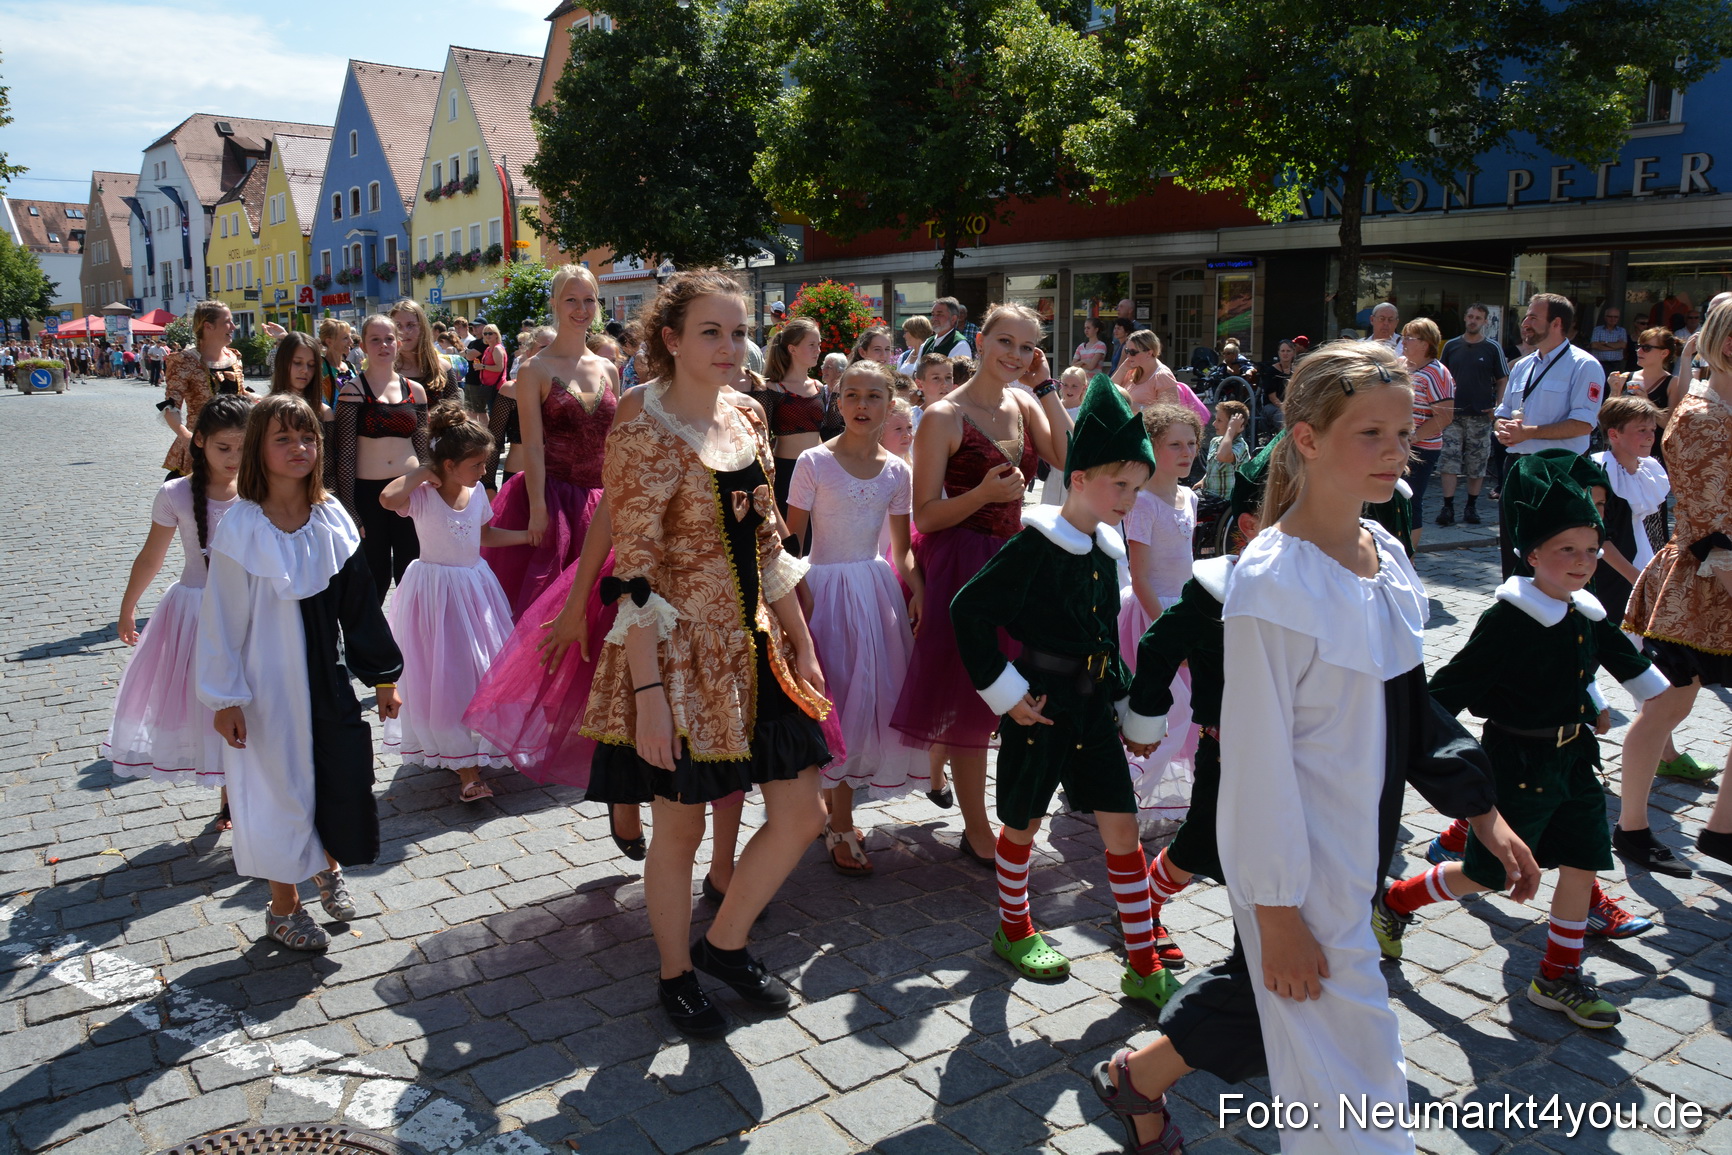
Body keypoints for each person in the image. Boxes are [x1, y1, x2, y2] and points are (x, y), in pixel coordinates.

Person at [1090, 341, 1536, 1155]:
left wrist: (1485, 812)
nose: (1397, 451)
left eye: (1404, 432)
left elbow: (1411, 708)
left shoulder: (1387, 558)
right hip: (1295, 869)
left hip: (1356, 850)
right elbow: (1254, 765)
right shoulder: (1268, 583)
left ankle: (1139, 1078)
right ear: (1305, 436)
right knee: (1349, 1078)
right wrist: (1274, 911)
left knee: (1346, 1072)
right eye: (1371, 432)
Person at [578, 268, 831, 1038]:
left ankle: (724, 942)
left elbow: (767, 541)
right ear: (671, 340)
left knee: (802, 813)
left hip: (755, 648)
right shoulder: (642, 430)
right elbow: (635, 574)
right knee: (680, 830)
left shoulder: (750, 414)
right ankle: (674, 972)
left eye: (739, 331)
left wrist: (803, 641)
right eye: (711, 332)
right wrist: (649, 693)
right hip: (678, 657)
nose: (730, 346)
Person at [1374, 467, 1669, 1029]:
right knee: (1490, 875)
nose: (1583, 561)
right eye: (1566, 549)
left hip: (1577, 758)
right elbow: (1447, 691)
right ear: (1532, 555)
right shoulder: (1508, 620)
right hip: (1517, 763)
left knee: (1584, 861)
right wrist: (1415, 748)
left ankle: (1557, 976)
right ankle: (1396, 902)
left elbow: (1631, 668)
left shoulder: (1585, 610)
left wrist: (1612, 695)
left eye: (1591, 547)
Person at [951, 372, 1179, 1006]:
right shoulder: (1035, 545)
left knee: (1123, 830)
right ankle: (1014, 927)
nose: (1131, 500)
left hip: (1094, 710)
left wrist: (1132, 710)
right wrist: (1005, 690)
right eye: (1121, 485)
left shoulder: (1107, 551)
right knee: (1023, 822)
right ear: (1078, 479)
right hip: (1040, 709)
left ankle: (1140, 958)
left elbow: (1106, 639)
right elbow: (968, 610)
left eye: (1138, 487)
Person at [197, 394, 404, 952]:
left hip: (325, 675)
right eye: (283, 439)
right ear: (258, 450)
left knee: (335, 777)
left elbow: (359, 606)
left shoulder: (331, 516)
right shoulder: (241, 526)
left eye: (307, 436)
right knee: (278, 789)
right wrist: (224, 698)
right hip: (264, 686)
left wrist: (384, 675)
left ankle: (326, 865)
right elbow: (220, 619)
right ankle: (282, 907)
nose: (299, 448)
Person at [890, 303, 1071, 863]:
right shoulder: (944, 416)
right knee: (977, 696)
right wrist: (983, 497)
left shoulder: (1022, 400)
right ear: (983, 340)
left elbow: (1066, 455)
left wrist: (1046, 387)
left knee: (1007, 696)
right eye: (1006, 343)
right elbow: (924, 515)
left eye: (1026, 347)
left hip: (1016, 561)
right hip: (962, 563)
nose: (1015, 356)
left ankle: (975, 801)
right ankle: (975, 828)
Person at [785, 361, 926, 874]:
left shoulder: (898, 471)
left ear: (891, 405)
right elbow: (790, 540)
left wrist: (918, 591)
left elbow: (901, 547)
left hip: (872, 592)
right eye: (852, 396)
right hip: (820, 590)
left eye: (873, 396)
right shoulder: (813, 462)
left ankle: (836, 813)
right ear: (837, 402)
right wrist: (792, 596)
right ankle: (836, 822)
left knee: (865, 700)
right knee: (834, 700)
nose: (862, 405)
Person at [1619, 300, 1732, 874]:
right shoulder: (1699, 414)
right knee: (1668, 705)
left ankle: (1722, 828)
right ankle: (1631, 827)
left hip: (1722, 575)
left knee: (1671, 704)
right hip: (1700, 579)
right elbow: (1707, 521)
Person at [104, 395, 249, 835]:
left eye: (243, 448)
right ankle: (229, 791)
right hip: (195, 613)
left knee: (253, 700)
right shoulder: (176, 494)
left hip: (251, 613)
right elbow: (151, 556)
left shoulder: (260, 490)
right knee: (211, 705)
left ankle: (239, 792)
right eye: (224, 448)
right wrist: (128, 608)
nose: (234, 458)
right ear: (199, 441)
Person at [378, 401, 528, 802]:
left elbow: (485, 536)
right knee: (446, 674)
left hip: (476, 590)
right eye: (477, 464)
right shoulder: (423, 495)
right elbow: (388, 499)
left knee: (482, 667)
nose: (484, 472)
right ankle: (466, 770)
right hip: (435, 594)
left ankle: (480, 747)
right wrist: (422, 471)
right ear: (447, 465)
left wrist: (525, 536)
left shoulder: (477, 491)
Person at [480, 266, 618, 619]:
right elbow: (534, 445)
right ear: (555, 303)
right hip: (554, 500)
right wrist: (539, 508)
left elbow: (615, 444)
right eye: (571, 299)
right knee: (548, 609)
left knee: (603, 608)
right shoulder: (535, 370)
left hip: (602, 499)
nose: (581, 309)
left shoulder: (608, 368)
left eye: (589, 300)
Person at [1119, 404, 1201, 839]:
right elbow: (1141, 574)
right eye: (1175, 444)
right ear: (1152, 447)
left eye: (1191, 443)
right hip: (1154, 616)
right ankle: (1128, 788)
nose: (1186, 452)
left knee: (1190, 708)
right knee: (1167, 708)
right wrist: (1168, 633)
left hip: (1184, 611)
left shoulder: (1188, 496)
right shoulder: (1144, 503)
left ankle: (1146, 786)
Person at [1494, 293, 1605, 576]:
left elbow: (1582, 424)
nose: (1525, 323)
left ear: (1556, 323)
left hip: (1558, 470)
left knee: (1555, 548)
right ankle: (1516, 608)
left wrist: (1528, 433)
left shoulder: (1584, 365)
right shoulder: (1522, 365)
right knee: (1514, 546)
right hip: (1517, 466)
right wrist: (1502, 428)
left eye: (1533, 317)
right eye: (1526, 317)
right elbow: (1503, 411)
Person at [331, 315, 430, 603]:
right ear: (363, 346)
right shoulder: (353, 391)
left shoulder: (416, 391)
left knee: (411, 570)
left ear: (398, 344)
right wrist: (350, 507)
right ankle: (374, 644)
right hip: (368, 494)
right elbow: (345, 456)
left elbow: (423, 449)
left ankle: (413, 640)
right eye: (375, 340)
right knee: (374, 575)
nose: (383, 345)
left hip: (410, 492)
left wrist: (432, 487)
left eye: (389, 339)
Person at [749, 318, 835, 521]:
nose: (818, 350)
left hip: (818, 468)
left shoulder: (820, 387)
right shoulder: (770, 389)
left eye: (819, 344)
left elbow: (831, 430)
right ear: (792, 349)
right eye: (812, 345)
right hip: (786, 470)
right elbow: (760, 435)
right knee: (791, 535)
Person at [160, 301, 251, 479]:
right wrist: (187, 437)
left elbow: (243, 394)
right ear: (208, 326)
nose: (233, 326)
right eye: (227, 322)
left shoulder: (234, 357)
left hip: (236, 444)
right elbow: (170, 406)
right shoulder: (184, 361)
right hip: (200, 443)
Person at [1437, 303, 1507, 526]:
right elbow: (1441, 376)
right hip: (1452, 416)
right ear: (1465, 318)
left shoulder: (1492, 348)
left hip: (1480, 415)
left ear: (1486, 321)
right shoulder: (1451, 346)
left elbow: (1502, 379)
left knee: (1477, 463)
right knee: (1449, 461)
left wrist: (1499, 406)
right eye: (1470, 316)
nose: (1473, 320)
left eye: (1478, 317)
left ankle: (1471, 506)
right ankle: (1447, 506)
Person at [1401, 317, 1455, 537]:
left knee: (1410, 501)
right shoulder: (1401, 365)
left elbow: (1445, 416)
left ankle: (1409, 559)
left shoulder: (1437, 373)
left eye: (1409, 337)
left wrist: (1412, 437)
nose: (1403, 341)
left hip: (1420, 449)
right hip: (1397, 445)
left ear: (1425, 344)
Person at [1112, 330, 1211, 427]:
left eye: (1133, 352)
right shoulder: (1132, 369)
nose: (1128, 355)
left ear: (1149, 353)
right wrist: (1123, 369)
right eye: (1127, 351)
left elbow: (1169, 414)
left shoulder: (1162, 376)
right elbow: (1108, 390)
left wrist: (1136, 407)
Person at [390, 298, 461, 405]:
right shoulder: (383, 370)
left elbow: (456, 413)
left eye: (410, 325)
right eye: (398, 325)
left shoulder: (442, 367)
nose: (404, 332)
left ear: (422, 328)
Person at [269, 332, 334, 422]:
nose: (305, 370)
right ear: (282, 362)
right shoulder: (266, 408)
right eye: (297, 362)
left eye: (311, 365)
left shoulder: (324, 412)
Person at [1198, 399, 1249, 500]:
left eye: (1219, 420)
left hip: (1227, 503)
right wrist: (1203, 480)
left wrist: (1231, 429)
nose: (1214, 424)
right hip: (1210, 496)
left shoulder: (1240, 446)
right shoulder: (1215, 441)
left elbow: (1222, 456)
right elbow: (1213, 467)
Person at [1259, 338, 1297, 433]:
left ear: (1293, 353)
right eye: (1283, 351)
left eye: (1288, 351)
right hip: (1273, 406)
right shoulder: (1271, 371)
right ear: (1279, 353)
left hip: (1291, 405)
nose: (1285, 353)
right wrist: (1284, 407)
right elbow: (1272, 397)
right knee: (1284, 419)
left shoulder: (1297, 371)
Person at [317, 320, 357, 408]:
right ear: (329, 342)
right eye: (345, 338)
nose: (351, 342)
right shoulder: (320, 368)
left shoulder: (350, 367)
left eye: (350, 337)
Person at [918, 296, 972, 361]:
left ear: (953, 319)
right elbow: (917, 370)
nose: (934, 319)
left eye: (939, 314)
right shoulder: (927, 343)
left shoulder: (960, 345)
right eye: (933, 314)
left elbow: (957, 371)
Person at [1590, 305, 1629, 374]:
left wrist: (1605, 343)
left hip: (1616, 365)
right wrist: (1615, 347)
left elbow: (1623, 345)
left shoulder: (1622, 331)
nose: (1613, 319)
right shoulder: (1597, 330)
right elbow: (1594, 345)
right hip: (1600, 363)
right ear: (1605, 317)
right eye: (1610, 316)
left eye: (1615, 317)